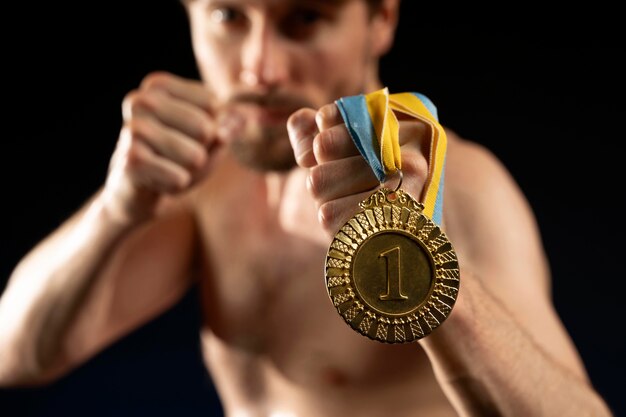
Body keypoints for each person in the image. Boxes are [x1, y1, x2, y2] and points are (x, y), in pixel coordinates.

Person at [0, 0, 614, 415]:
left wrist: (424, 274)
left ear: (379, 20)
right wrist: (118, 208)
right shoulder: (207, 186)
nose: (258, 67)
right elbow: (17, 356)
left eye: (303, 19)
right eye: (228, 16)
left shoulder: (465, 189)